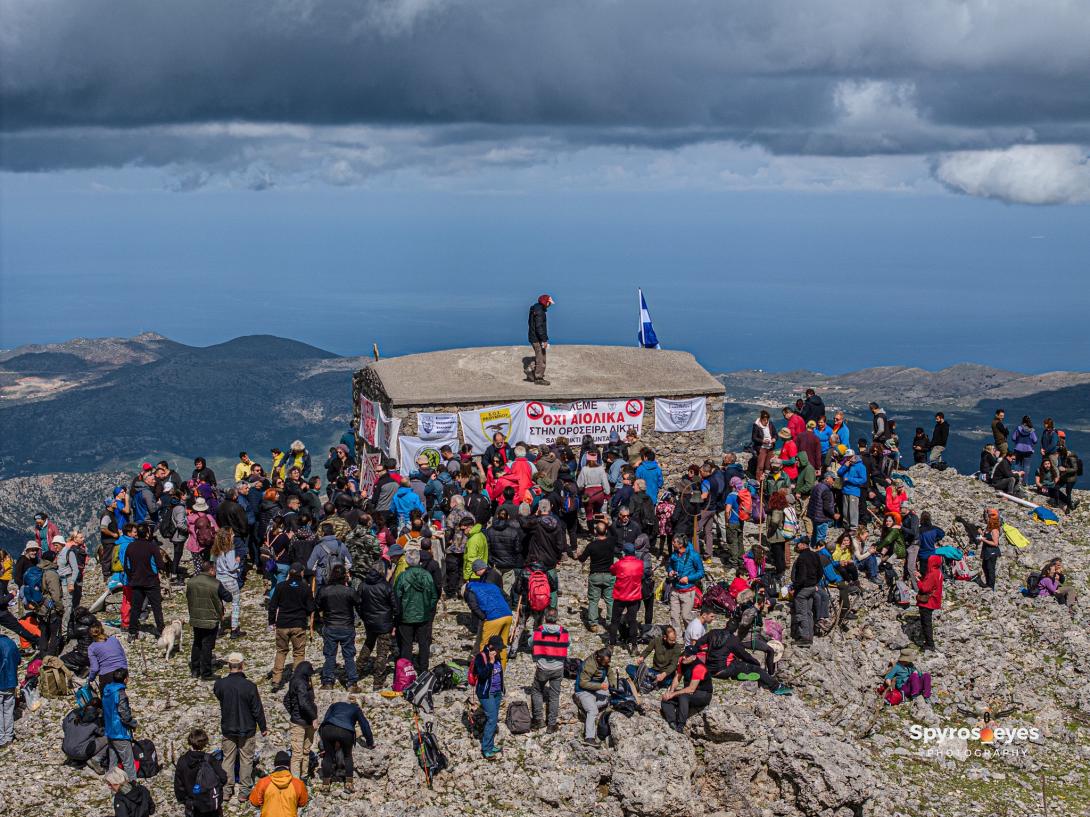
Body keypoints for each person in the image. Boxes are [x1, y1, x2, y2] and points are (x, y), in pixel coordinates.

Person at [212, 653, 267, 802]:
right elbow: (257, 709)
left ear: (229, 665)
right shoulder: (250, 686)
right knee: (246, 759)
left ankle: (227, 789)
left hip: (228, 727)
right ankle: (244, 791)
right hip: (247, 728)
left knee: (227, 759)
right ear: (242, 665)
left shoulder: (220, 684)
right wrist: (263, 727)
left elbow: (218, 695)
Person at [316, 564, 361, 692]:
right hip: (346, 626)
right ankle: (352, 683)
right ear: (344, 576)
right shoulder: (349, 591)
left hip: (330, 626)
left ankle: (328, 682)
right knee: (348, 656)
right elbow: (359, 603)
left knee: (330, 655)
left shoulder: (324, 590)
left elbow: (317, 606)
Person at [186, 561, 233, 681]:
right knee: (207, 645)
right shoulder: (215, 583)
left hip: (196, 617)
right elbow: (228, 597)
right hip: (210, 619)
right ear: (211, 570)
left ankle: (195, 670)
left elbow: (188, 596)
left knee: (197, 643)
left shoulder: (191, 581)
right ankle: (206, 673)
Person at [393, 550, 439, 672]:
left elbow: (396, 596)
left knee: (406, 644)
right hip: (422, 615)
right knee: (423, 643)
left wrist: (398, 612)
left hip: (406, 615)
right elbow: (434, 595)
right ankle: (423, 669)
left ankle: (406, 670)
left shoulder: (403, 576)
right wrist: (427, 608)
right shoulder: (427, 575)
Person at [318, 698, 374, 791]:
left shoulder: (335, 704)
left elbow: (326, 719)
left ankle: (325, 785)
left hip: (328, 729)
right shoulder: (356, 709)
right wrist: (370, 742)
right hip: (346, 731)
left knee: (328, 756)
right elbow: (365, 726)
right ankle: (348, 784)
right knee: (347, 756)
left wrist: (324, 743)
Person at [173, 727, 228, 817]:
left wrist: (184, 800)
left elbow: (179, 785)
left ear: (190, 742)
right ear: (204, 744)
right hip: (210, 801)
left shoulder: (182, 761)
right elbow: (223, 778)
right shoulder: (210, 759)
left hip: (193, 804)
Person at [123, 522, 164, 642]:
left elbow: (127, 566)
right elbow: (160, 564)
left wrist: (132, 577)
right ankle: (161, 630)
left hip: (136, 582)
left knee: (135, 608)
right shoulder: (152, 547)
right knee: (156, 606)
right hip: (151, 581)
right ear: (147, 533)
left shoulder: (130, 547)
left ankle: (132, 632)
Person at [529, 609, 568, 732]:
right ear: (556, 618)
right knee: (554, 696)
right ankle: (551, 724)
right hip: (557, 668)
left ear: (545, 617)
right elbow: (568, 644)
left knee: (537, 691)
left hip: (542, 667)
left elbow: (531, 643)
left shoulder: (539, 631)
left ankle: (539, 720)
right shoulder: (563, 632)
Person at [575, 646, 618, 745]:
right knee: (593, 711)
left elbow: (610, 673)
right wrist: (600, 686)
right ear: (599, 658)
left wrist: (614, 685)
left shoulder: (604, 661)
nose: (608, 663)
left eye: (609, 661)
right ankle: (589, 738)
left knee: (607, 699)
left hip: (595, 690)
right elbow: (583, 683)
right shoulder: (590, 665)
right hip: (583, 691)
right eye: (606, 662)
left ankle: (585, 706)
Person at [472, 636, 506, 758]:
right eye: (498, 648)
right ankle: (486, 749)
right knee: (492, 719)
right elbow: (482, 675)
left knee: (493, 718)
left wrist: (502, 689)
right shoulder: (481, 657)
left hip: (497, 692)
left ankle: (491, 745)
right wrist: (491, 663)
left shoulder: (497, 655)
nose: (500, 651)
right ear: (491, 647)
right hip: (486, 693)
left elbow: (500, 674)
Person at [284, 661, 318, 780]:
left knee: (301, 752)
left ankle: (300, 778)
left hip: (299, 721)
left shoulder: (295, 681)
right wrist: (313, 717)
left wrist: (293, 714)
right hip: (304, 723)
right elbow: (304, 703)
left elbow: (286, 700)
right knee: (301, 753)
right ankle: (299, 780)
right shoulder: (301, 683)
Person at [103, 667, 138, 781]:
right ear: (125, 679)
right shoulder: (120, 693)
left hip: (109, 730)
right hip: (120, 731)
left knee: (112, 760)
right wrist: (133, 724)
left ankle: (111, 781)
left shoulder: (107, 691)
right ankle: (133, 784)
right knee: (128, 761)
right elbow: (124, 715)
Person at [249, 750, 308, 816]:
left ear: (275, 765)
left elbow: (254, 802)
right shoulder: (298, 784)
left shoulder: (263, 782)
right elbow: (303, 803)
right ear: (289, 765)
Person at [667, 534, 704, 635]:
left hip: (688, 591)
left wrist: (688, 578)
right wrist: (670, 571)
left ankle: (694, 632)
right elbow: (669, 565)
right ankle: (677, 639)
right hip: (675, 589)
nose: (672, 543)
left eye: (674, 542)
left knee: (686, 616)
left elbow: (701, 572)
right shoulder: (674, 554)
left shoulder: (694, 555)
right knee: (674, 616)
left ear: (680, 544)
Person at [608, 541, 644, 649]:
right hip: (634, 596)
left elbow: (612, 571)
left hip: (620, 596)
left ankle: (612, 644)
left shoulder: (620, 564)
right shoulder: (640, 563)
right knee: (633, 621)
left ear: (624, 552)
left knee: (615, 620)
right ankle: (634, 646)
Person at [791, 539, 823, 646]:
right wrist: (814, 583)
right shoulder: (815, 555)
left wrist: (794, 587)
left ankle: (804, 637)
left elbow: (802, 577)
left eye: (798, 544)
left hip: (803, 589)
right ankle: (810, 636)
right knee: (809, 612)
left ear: (802, 544)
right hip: (812, 587)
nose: (796, 546)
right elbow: (820, 572)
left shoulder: (802, 558)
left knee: (802, 613)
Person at [88, 621, 129, 690]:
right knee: (120, 695)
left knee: (107, 697)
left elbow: (95, 668)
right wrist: (126, 673)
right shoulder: (114, 639)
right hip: (122, 672)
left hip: (107, 674)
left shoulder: (92, 647)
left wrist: (90, 679)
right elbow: (123, 656)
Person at [915, 554, 944, 651]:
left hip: (927, 602)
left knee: (926, 623)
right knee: (927, 622)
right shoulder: (938, 572)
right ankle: (929, 642)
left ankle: (929, 644)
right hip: (934, 600)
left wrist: (918, 580)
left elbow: (924, 588)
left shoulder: (932, 573)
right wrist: (922, 577)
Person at [527, 293, 554, 385]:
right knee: (541, 358)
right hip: (537, 339)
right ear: (545, 302)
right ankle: (538, 378)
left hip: (533, 337)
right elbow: (539, 327)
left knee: (539, 357)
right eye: (549, 303)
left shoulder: (535, 309)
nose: (549, 305)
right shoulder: (540, 312)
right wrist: (544, 340)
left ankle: (530, 371)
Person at [837, 450, 868, 531]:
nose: (848, 458)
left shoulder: (861, 466)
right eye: (847, 457)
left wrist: (849, 479)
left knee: (853, 511)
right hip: (845, 490)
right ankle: (846, 526)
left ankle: (853, 527)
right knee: (845, 511)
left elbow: (863, 479)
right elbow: (839, 473)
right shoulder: (847, 464)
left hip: (854, 491)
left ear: (854, 456)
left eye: (849, 457)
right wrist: (845, 466)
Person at [0, 634, 17, 749]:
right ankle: (9, 737)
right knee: (8, 710)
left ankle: (1, 739)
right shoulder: (11, 643)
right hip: (11, 681)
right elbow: (18, 660)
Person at [979, 513, 1002, 591]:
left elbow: (995, 543)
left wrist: (983, 539)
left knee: (990, 569)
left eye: (989, 519)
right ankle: (988, 583)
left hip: (992, 552)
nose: (987, 520)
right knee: (984, 567)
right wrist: (981, 534)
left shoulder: (995, 530)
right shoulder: (988, 528)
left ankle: (991, 586)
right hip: (986, 551)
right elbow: (987, 537)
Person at [750, 411, 776, 479]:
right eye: (764, 420)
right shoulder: (756, 426)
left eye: (767, 419)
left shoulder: (770, 424)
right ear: (761, 419)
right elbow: (754, 438)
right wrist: (762, 441)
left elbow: (775, 434)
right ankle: (758, 481)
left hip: (770, 447)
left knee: (768, 466)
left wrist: (774, 439)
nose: (766, 421)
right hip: (762, 448)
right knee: (760, 466)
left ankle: (766, 481)